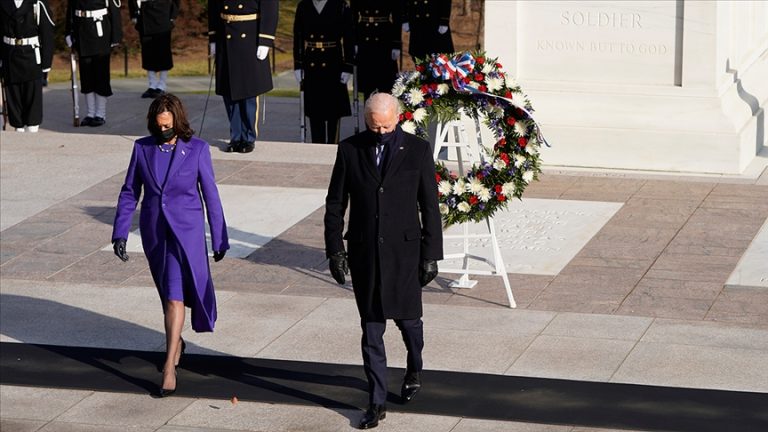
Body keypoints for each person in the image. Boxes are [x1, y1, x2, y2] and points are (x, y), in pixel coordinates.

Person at [323, 92, 442, 429]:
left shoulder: (417, 150)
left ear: (398, 119)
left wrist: (431, 255)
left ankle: (414, 367)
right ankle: (375, 402)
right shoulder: (349, 149)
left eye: (386, 126)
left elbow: (429, 206)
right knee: (371, 331)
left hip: (405, 255)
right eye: (374, 127)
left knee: (409, 325)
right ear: (366, 121)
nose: (380, 132)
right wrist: (335, 250)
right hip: (366, 256)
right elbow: (335, 204)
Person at [111, 93, 229, 397]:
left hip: (186, 234)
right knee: (167, 296)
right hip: (155, 234)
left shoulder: (198, 149)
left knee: (176, 298)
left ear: (177, 121)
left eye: (168, 126)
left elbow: (211, 196)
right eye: (158, 126)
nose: (163, 131)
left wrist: (219, 236)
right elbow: (129, 193)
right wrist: (120, 232)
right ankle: (177, 342)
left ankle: (168, 367)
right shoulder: (142, 148)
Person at [208, 0, 278, 153]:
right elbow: (213, 7)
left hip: (250, 39)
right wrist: (213, 38)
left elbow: (270, 9)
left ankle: (248, 137)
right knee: (230, 91)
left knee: (249, 92)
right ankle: (236, 136)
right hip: (225, 37)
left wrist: (265, 40)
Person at [293, 0, 354, 144]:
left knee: (334, 111)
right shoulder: (304, 6)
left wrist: (348, 66)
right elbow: (298, 36)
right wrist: (298, 64)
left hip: (334, 62)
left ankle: (333, 147)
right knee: (315, 111)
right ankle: (317, 147)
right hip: (311, 62)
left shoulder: (340, 6)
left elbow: (349, 37)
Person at [65, 0, 122, 127]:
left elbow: (114, 11)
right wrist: (68, 33)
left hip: (100, 34)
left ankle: (100, 114)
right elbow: (70, 11)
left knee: (101, 76)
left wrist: (115, 36)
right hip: (82, 33)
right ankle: (90, 113)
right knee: (86, 77)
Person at [0, 0, 55, 133]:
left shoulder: (37, 3)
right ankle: (18, 129)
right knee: (14, 96)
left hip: (31, 55)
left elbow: (47, 34)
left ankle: (32, 130)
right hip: (10, 55)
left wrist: (46, 64)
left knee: (32, 97)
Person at [350, 0, 401, 100]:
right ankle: (368, 112)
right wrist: (354, 41)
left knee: (385, 83)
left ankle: (385, 112)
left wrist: (396, 44)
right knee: (367, 84)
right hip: (364, 37)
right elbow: (353, 16)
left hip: (384, 38)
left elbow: (397, 15)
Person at [129, 0, 179, 99]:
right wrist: (134, 13)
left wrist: (173, 14)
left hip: (162, 12)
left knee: (163, 52)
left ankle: (162, 85)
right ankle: (152, 84)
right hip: (145, 13)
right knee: (148, 52)